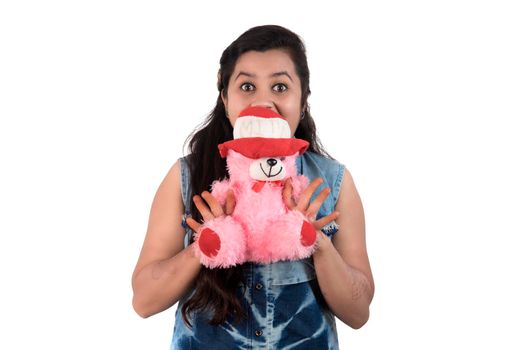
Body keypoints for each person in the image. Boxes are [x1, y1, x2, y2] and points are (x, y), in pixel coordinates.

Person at [132, 24, 374, 350]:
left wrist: (315, 242)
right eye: (247, 86)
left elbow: (359, 313)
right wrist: (204, 246)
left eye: (280, 87)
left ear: (303, 101)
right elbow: (144, 301)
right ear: (225, 99)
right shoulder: (187, 176)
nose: (263, 101)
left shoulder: (332, 182)